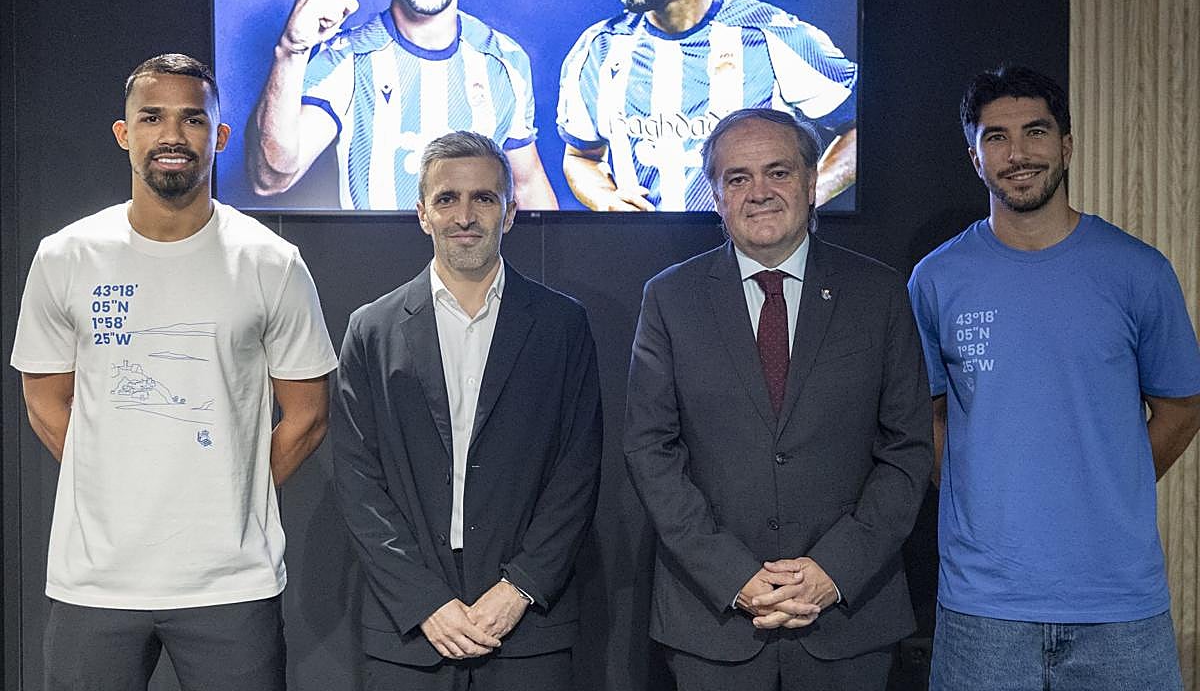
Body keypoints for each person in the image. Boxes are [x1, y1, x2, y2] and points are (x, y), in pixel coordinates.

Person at [10, 53, 337, 690]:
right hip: (96, 582)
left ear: (220, 136)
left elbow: (309, 415)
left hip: (231, 583)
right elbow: (44, 402)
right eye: (152, 117)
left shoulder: (272, 262)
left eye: (192, 119)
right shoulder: (65, 257)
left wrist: (232, 491)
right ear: (123, 133)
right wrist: (111, 484)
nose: (172, 135)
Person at [908, 66, 1200, 690]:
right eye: (996, 137)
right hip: (982, 607)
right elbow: (925, 417)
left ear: (1066, 145)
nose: (1017, 154)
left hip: (1119, 604)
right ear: (975, 157)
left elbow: (1180, 409)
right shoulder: (935, 279)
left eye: (1035, 132)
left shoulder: (1138, 272)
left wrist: (1109, 479)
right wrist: (979, 495)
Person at [624, 107, 931, 689]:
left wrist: (834, 570)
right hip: (713, 622)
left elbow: (907, 450)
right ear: (716, 195)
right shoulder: (670, 299)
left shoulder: (879, 293)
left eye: (778, 172)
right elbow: (650, 451)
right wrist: (734, 576)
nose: (759, 192)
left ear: (813, 182)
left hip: (849, 619)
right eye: (738, 178)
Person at [331, 131, 602, 689]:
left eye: (484, 198)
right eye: (447, 199)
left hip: (531, 625)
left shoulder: (562, 326)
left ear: (510, 212)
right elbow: (358, 482)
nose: (464, 216)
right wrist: (424, 601)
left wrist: (520, 587)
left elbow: (577, 471)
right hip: (409, 629)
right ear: (422, 214)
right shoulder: (372, 329)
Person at [249, 0, 558, 211]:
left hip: (475, 249)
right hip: (378, 249)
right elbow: (270, 179)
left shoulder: (504, 60)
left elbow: (528, 186)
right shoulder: (349, 58)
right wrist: (291, 49)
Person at [557, 0, 858, 213]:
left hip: (747, 246)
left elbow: (866, 125)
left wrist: (805, 197)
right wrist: (606, 200)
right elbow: (580, 156)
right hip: (641, 246)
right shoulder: (599, 48)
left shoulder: (770, 34)